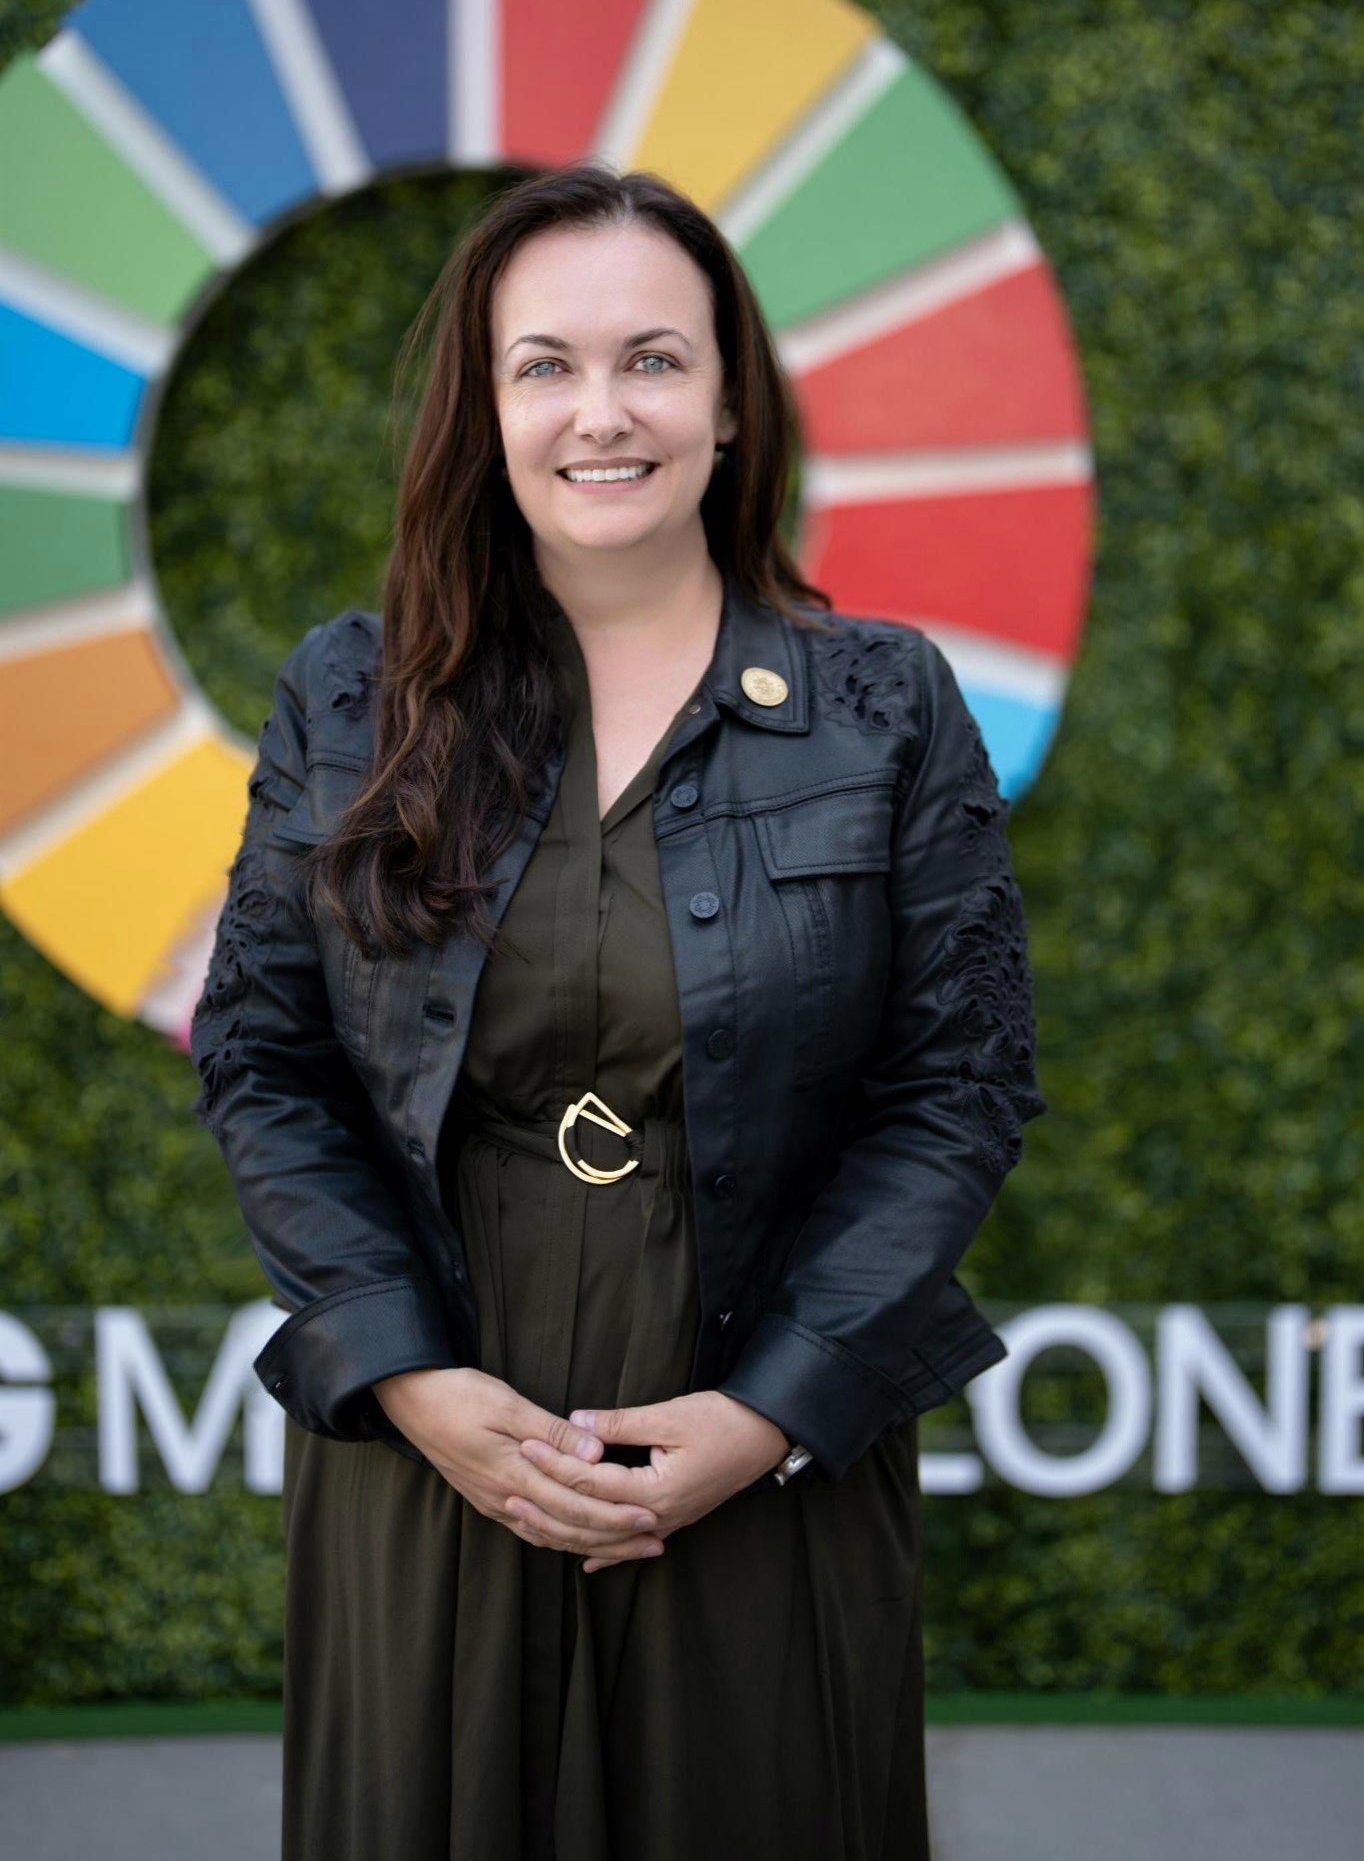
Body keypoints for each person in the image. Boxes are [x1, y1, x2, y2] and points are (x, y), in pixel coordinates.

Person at [190, 161, 1048, 1860]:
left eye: (655, 359)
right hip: (437, 1454)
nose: (603, 412)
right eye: (548, 366)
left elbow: (960, 1083)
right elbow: (263, 1058)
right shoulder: (353, 698)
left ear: (729, 405)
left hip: (763, 1462)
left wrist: (772, 1411)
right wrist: (405, 1376)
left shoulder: (882, 707)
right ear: (485, 409)